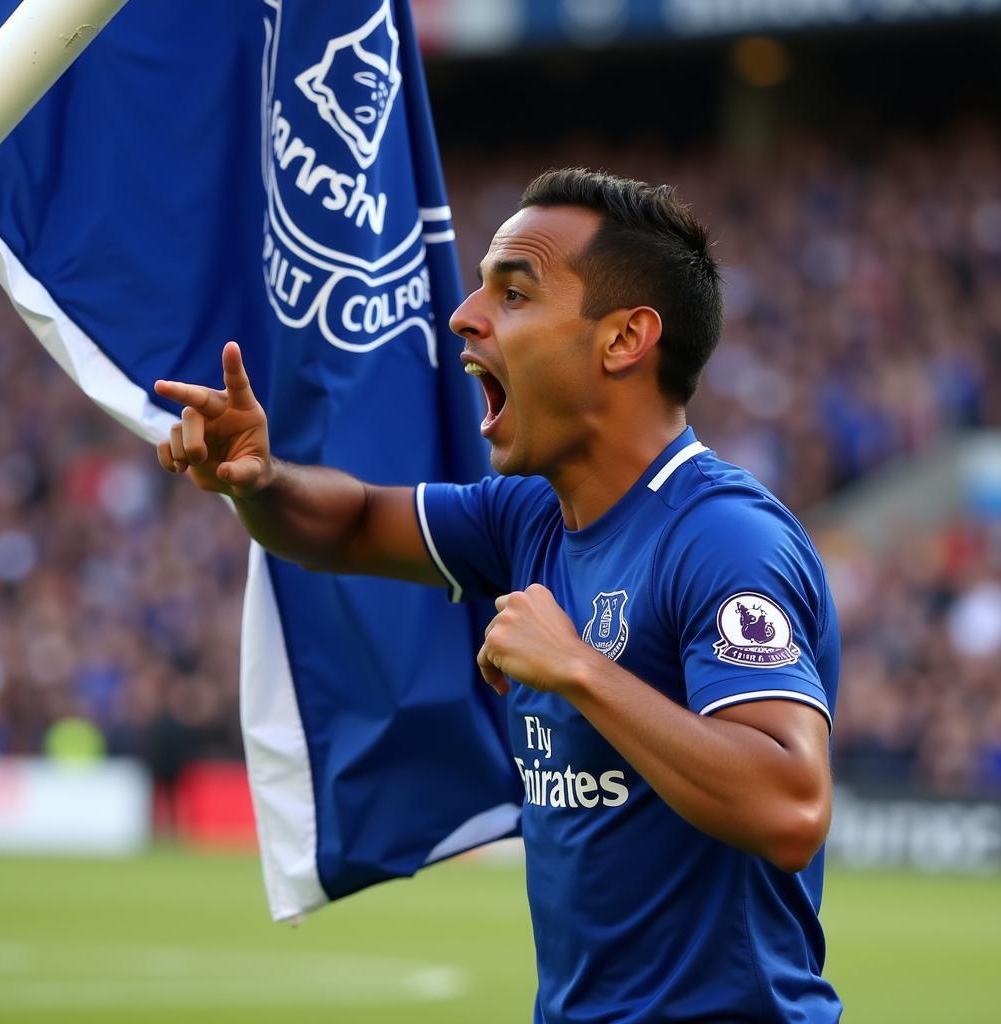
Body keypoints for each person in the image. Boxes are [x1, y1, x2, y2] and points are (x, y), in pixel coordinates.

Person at [154, 168, 842, 1023]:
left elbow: (790, 806)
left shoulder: (723, 539)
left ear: (624, 339)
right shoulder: (530, 517)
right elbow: (350, 524)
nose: (465, 315)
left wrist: (578, 670)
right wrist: (254, 481)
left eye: (513, 292)